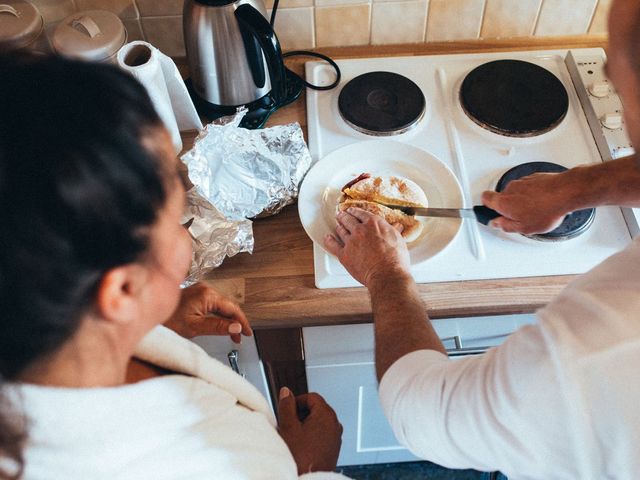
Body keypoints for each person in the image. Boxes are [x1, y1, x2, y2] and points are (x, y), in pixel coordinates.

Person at [324, 1, 640, 478]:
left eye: (617, 87)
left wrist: (385, 273)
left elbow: (422, 413)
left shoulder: (607, 346)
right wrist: (576, 187)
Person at [0, 53, 348, 480]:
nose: (185, 223)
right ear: (122, 290)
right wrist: (310, 467)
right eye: (175, 210)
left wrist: (149, 323)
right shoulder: (221, 465)